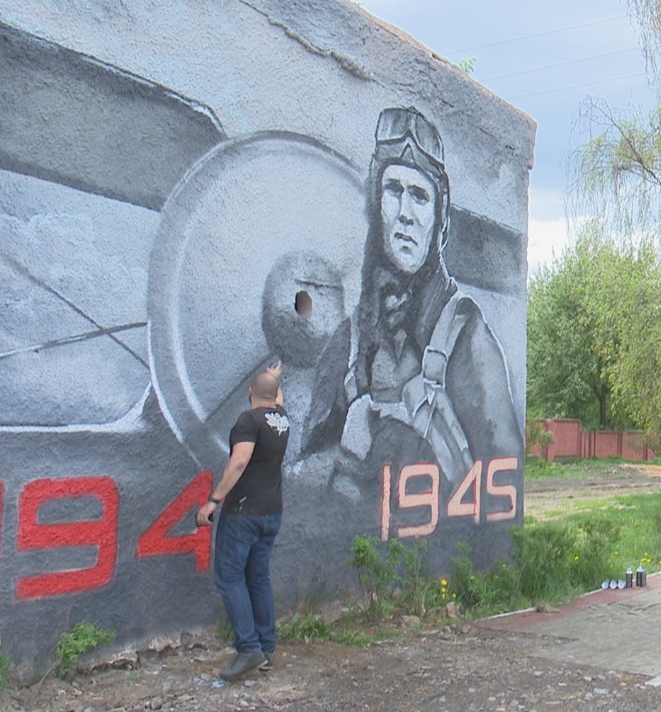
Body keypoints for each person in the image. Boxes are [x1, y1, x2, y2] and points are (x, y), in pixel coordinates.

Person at [305, 107, 523, 505]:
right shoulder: (349, 343)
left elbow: (506, 483)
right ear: (376, 204)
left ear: (439, 218)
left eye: (420, 196)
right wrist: (351, 449)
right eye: (394, 191)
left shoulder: (464, 334)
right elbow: (304, 478)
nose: (405, 214)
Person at [196, 364, 289, 681]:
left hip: (244, 514)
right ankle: (266, 648)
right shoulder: (282, 421)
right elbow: (276, 399)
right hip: (271, 512)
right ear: (275, 395)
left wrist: (214, 499)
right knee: (258, 579)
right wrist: (275, 379)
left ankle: (248, 648)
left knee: (230, 577)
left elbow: (238, 463)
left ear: (250, 394)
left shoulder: (248, 421)